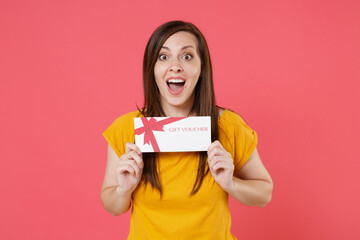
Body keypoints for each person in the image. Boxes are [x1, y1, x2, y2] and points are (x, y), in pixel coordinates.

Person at [101, 20, 273, 240]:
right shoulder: (126, 129)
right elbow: (113, 206)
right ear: (151, 68)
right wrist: (123, 189)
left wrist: (231, 183)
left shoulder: (229, 127)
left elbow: (264, 194)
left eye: (187, 56)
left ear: (202, 68)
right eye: (163, 57)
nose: (175, 66)